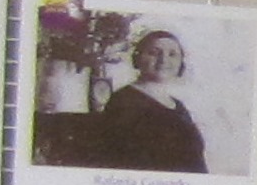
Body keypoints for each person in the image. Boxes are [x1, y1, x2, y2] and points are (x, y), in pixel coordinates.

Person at [76, 27, 209, 173]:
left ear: (181, 63)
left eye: (172, 54)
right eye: (154, 53)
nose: (164, 60)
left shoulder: (178, 106)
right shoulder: (125, 101)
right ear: (137, 59)